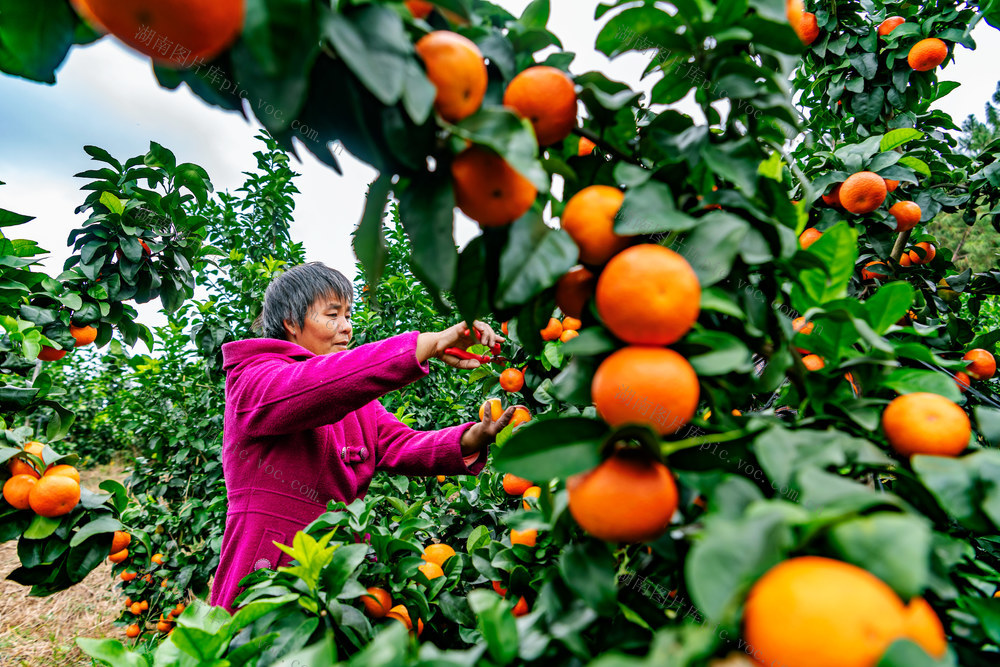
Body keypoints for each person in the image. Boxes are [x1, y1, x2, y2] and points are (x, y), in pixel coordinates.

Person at [209, 262, 516, 613]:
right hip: (270, 568)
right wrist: (427, 344)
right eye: (333, 315)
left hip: (340, 571)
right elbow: (315, 385)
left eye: (349, 315)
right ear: (292, 323)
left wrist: (474, 437)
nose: (347, 328)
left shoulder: (359, 407)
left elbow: (402, 444)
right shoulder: (254, 378)